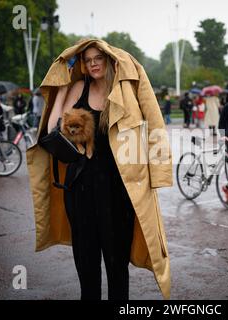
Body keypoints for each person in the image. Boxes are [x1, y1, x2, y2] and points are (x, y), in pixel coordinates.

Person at [28, 39, 172, 300]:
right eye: (87, 59)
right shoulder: (79, 88)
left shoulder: (126, 91)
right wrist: (63, 89)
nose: (93, 63)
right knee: (87, 266)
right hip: (80, 189)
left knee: (117, 268)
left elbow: (154, 123)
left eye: (98, 58)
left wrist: (158, 171)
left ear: (109, 60)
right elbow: (52, 130)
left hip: (119, 190)